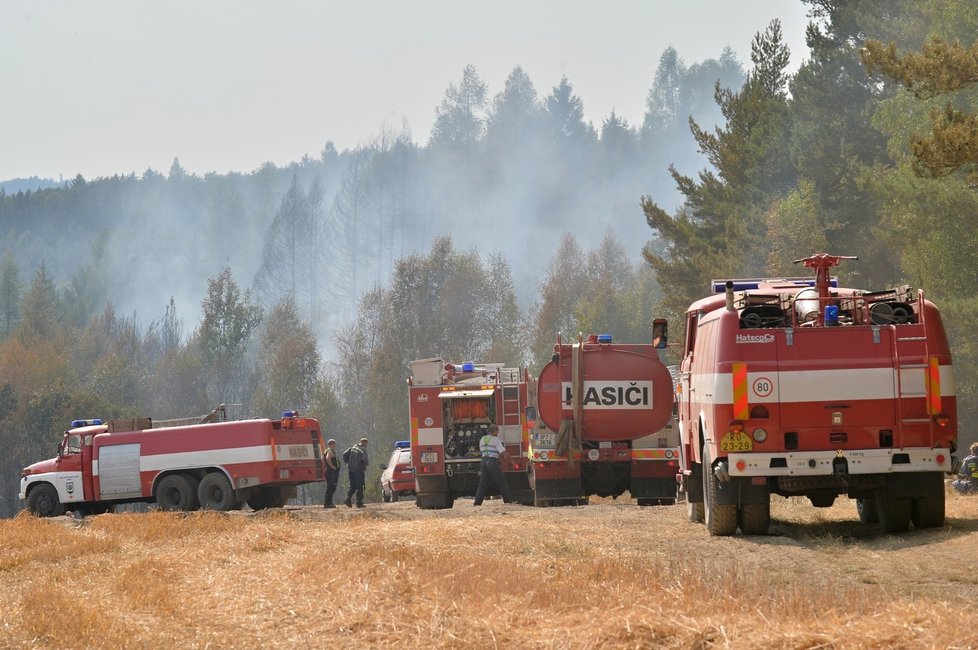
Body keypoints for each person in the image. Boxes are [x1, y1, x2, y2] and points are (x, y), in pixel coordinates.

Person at [473, 424, 513, 505]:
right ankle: (507, 500)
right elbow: (504, 452)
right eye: (497, 431)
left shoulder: (482, 439)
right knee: (501, 481)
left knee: (482, 483)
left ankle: (477, 502)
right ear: (494, 431)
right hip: (492, 462)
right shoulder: (495, 440)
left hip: (483, 462)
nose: (498, 433)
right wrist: (511, 461)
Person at [344, 437, 369, 508]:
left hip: (350, 470)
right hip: (358, 471)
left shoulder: (353, 447)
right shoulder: (363, 449)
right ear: (365, 443)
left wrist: (348, 462)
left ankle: (347, 499)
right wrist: (364, 466)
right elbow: (365, 461)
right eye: (366, 444)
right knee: (361, 486)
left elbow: (344, 454)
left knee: (353, 485)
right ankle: (359, 502)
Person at [322, 438, 340, 508]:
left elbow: (322, 459)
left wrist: (326, 466)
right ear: (331, 444)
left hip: (329, 471)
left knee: (330, 487)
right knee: (331, 487)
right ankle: (327, 503)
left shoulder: (326, 450)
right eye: (334, 444)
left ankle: (329, 502)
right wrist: (332, 467)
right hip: (332, 472)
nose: (334, 445)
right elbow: (327, 458)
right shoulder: (330, 451)